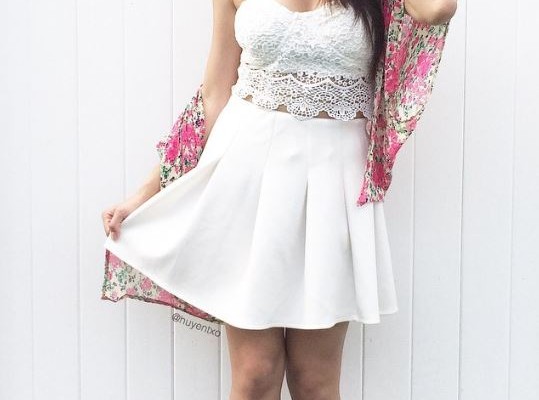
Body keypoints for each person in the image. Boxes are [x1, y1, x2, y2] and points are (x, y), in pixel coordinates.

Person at [101, 0, 457, 398]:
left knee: (314, 380)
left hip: (331, 186)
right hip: (246, 178)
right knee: (256, 373)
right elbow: (214, 96)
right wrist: (146, 192)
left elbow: (438, 9)